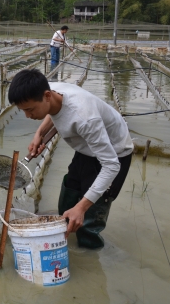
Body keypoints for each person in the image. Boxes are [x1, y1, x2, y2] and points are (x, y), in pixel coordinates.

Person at [8, 69, 133, 249]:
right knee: (69, 197)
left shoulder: (84, 118)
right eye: (23, 111)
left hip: (114, 153)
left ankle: (90, 256)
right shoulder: (52, 91)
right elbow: (54, 111)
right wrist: (39, 134)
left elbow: (111, 166)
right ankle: (66, 238)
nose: (28, 116)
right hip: (86, 149)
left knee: (89, 218)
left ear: (47, 95)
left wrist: (81, 208)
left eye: (30, 109)